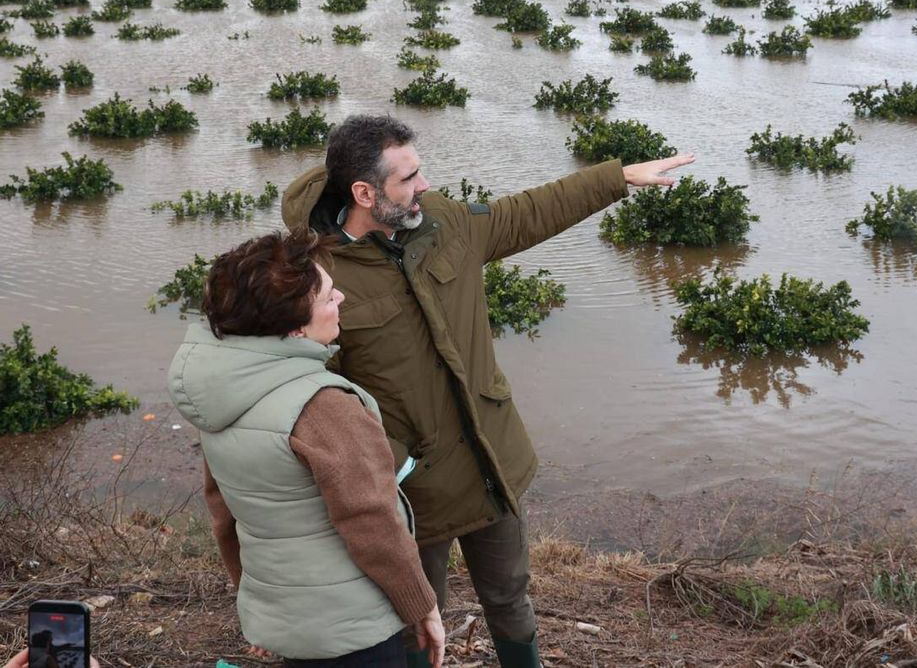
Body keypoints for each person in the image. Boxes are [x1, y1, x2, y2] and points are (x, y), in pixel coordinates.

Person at [282, 114, 694, 667]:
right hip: (409, 492)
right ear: (364, 192)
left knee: (510, 600)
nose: (424, 185)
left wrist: (616, 178)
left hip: (488, 461)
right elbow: (312, 393)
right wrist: (394, 467)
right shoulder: (320, 275)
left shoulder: (443, 222)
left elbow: (525, 213)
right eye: (408, 178)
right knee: (412, 625)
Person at [166, 230, 445, 667]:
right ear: (296, 327)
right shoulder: (324, 406)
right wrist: (423, 606)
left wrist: (261, 609)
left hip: (295, 626)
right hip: (354, 630)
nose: (343, 299)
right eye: (329, 297)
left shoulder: (219, 393)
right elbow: (371, 520)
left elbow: (225, 514)